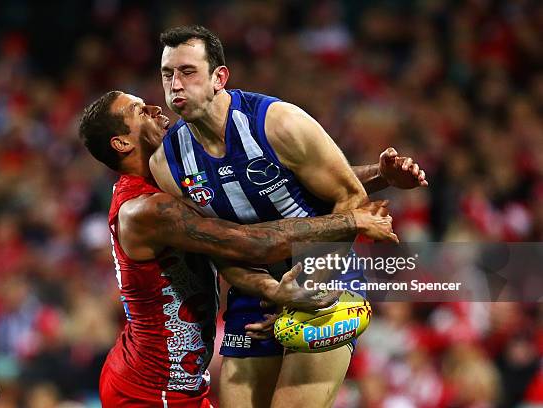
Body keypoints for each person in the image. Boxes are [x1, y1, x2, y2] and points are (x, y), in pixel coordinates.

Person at [150, 25, 428, 408]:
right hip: (255, 290)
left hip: (325, 280)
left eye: (188, 71)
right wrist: (271, 291)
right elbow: (216, 247)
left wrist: (300, 292)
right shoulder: (168, 163)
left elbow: (349, 196)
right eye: (167, 74)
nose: (176, 85)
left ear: (219, 77)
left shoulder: (278, 122)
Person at [78, 91, 399, 407]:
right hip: (149, 392)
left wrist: (380, 174)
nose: (155, 107)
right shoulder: (146, 210)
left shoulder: (170, 180)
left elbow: (293, 187)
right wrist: (350, 221)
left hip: (177, 384)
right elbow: (251, 243)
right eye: (140, 110)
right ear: (122, 143)